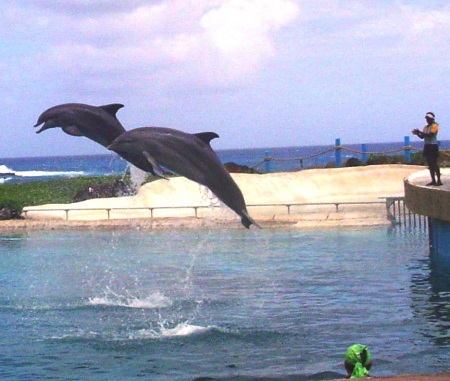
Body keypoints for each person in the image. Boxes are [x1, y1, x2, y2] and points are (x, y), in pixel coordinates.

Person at [412, 112, 443, 186]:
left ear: (432, 119)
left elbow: (430, 135)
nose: (427, 120)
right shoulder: (425, 127)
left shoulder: (434, 126)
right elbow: (423, 137)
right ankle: (433, 180)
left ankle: (439, 180)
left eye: (428, 119)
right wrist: (417, 134)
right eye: (426, 119)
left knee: (434, 163)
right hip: (427, 146)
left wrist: (419, 132)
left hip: (433, 146)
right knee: (430, 164)